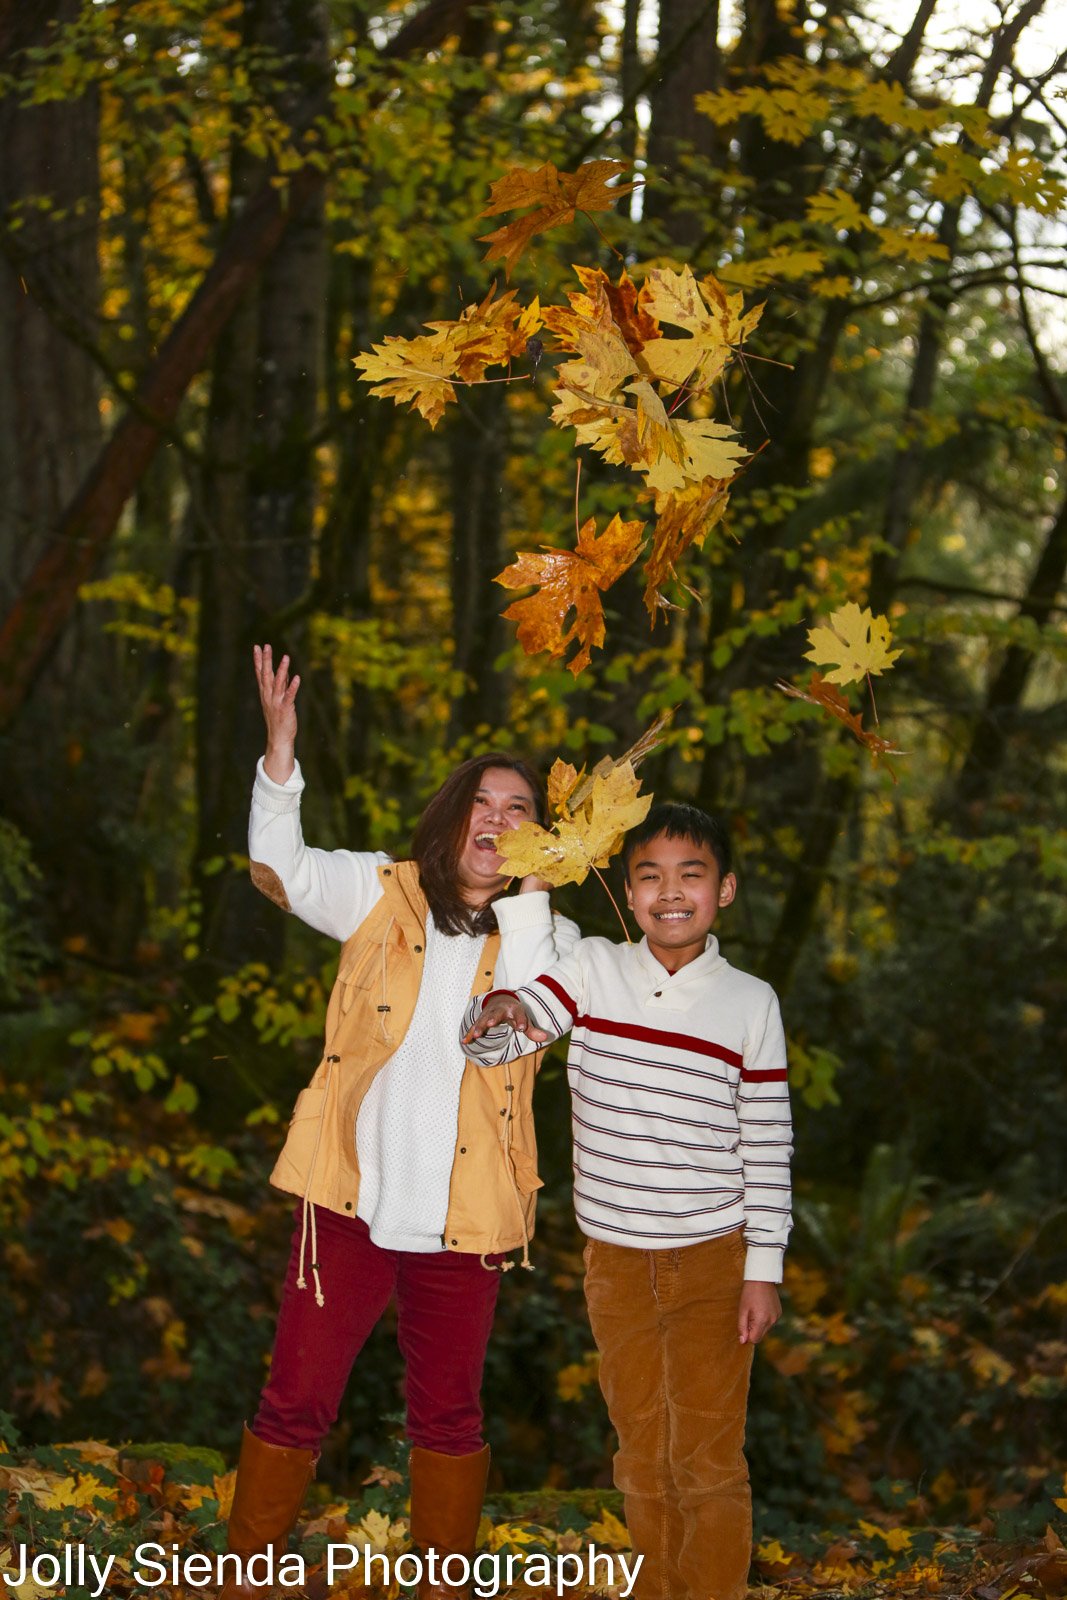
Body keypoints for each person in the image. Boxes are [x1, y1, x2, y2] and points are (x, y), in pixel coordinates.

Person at [222, 643, 579, 1600]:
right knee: (293, 1399)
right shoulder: (382, 896)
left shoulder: (552, 942)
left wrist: (539, 893)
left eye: (521, 813)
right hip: (347, 1198)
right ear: (452, 812)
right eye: (484, 803)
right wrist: (281, 756)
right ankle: (240, 1573)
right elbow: (277, 866)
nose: (497, 823)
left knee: (449, 1417)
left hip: (467, 1219)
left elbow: (520, 1026)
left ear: (541, 839)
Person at [461, 802, 793, 1600]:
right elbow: (508, 1035)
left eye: (691, 875)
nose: (669, 892)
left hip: (715, 1257)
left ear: (725, 890)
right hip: (613, 1260)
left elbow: (768, 1142)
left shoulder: (750, 1003)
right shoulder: (594, 971)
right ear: (627, 892)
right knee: (641, 1450)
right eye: (649, 876)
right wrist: (497, 1011)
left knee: (707, 1454)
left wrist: (763, 1267)